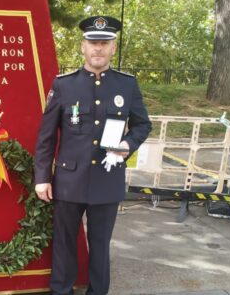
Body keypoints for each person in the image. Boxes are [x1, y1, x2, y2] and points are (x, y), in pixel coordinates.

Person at [34, 16, 152, 295]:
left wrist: (127, 144)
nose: (98, 49)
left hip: (107, 179)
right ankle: (61, 291)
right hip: (69, 179)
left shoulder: (127, 85)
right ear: (82, 47)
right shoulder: (64, 85)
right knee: (63, 245)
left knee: (99, 246)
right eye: (93, 43)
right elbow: (46, 135)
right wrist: (42, 177)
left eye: (104, 43)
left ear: (113, 48)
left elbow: (143, 124)